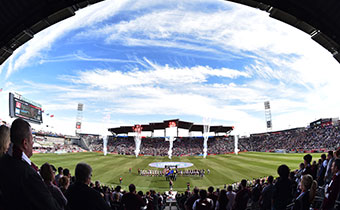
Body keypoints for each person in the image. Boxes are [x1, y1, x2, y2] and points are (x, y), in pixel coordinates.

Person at [0, 118, 62, 210]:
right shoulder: (29, 174)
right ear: (25, 143)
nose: (33, 143)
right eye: (32, 139)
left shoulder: (3, 161)